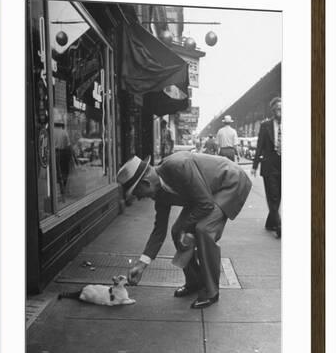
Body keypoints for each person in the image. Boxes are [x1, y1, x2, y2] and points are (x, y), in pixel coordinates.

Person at [117, 152, 252, 309]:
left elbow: (206, 204)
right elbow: (159, 230)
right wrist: (141, 264)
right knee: (177, 232)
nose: (139, 198)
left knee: (204, 230)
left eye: (137, 194)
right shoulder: (159, 193)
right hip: (204, 194)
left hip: (229, 182)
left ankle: (211, 291)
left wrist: (188, 229)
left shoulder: (179, 166)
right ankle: (194, 281)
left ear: (146, 183)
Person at [251, 97, 282, 238]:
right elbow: (260, 146)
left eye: (282, 108)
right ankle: (279, 225)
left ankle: (270, 222)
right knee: (273, 195)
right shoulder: (265, 126)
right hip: (270, 164)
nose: (280, 111)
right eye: (277, 109)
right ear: (273, 110)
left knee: (278, 196)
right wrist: (254, 165)